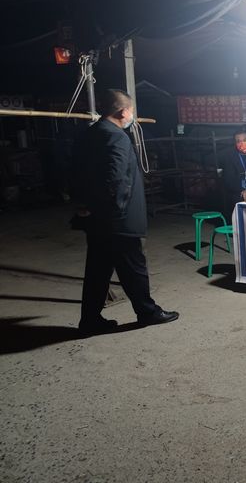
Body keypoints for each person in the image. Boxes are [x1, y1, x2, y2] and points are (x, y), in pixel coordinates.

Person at [73, 89, 178, 335]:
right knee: (134, 267)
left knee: (98, 270)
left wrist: (85, 205)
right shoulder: (117, 137)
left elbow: (76, 171)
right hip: (117, 219)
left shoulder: (90, 134)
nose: (132, 115)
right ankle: (147, 312)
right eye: (131, 110)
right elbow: (117, 179)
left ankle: (90, 319)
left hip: (96, 217)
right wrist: (115, 210)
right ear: (122, 112)